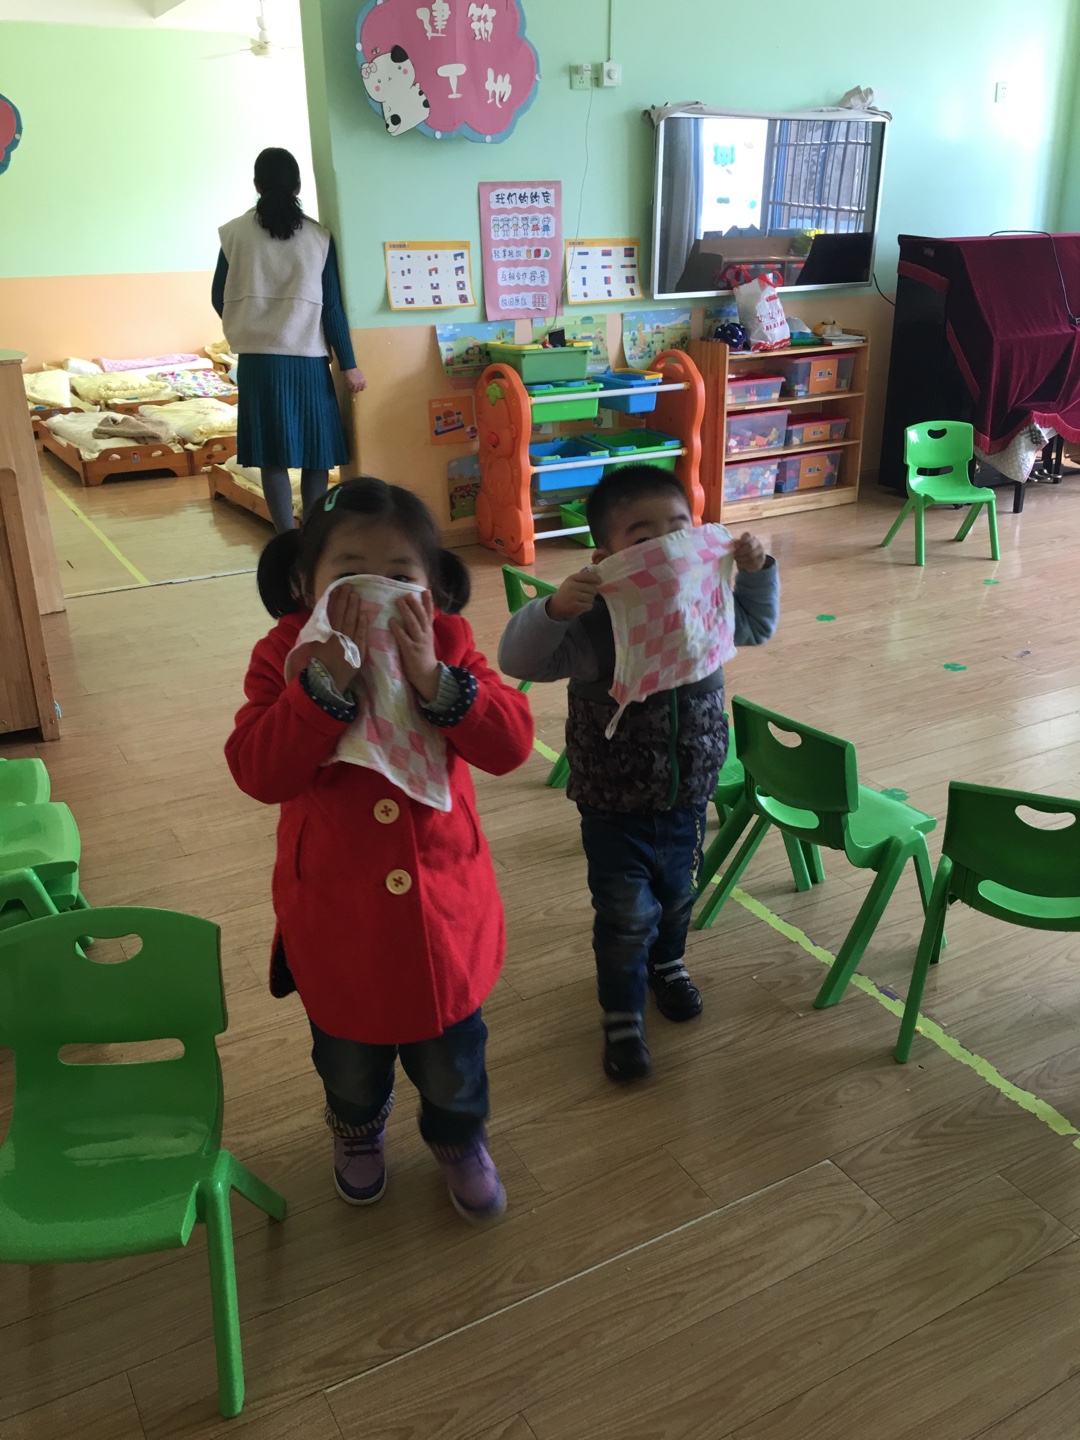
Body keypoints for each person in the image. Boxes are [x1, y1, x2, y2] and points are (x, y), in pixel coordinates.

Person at [225, 478, 533, 1221]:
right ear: (306, 585)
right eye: (350, 573)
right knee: (348, 1061)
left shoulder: (450, 643)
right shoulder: (283, 653)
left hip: (442, 908)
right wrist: (318, 688)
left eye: (399, 574)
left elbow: (512, 745)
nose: (376, 591)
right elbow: (258, 772)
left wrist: (434, 679)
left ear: (431, 589)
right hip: (339, 914)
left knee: (453, 1060)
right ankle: (357, 1129)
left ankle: (458, 1137)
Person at [498, 465, 779, 1083]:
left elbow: (757, 626)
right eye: (643, 537)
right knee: (626, 914)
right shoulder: (597, 624)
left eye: (679, 528)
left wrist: (757, 572)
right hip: (612, 801)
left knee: (677, 897)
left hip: (689, 791)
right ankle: (621, 1012)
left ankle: (668, 963)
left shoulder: (704, 605)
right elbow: (518, 659)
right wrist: (554, 609)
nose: (667, 547)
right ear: (606, 557)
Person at [213, 147, 367, 534]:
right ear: (298, 186)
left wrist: (251, 323)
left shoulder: (234, 234)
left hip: (258, 362)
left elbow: (219, 296)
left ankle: (284, 538)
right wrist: (349, 365)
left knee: (273, 456)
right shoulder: (318, 238)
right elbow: (331, 308)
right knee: (317, 454)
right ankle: (313, 534)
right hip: (308, 359)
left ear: (256, 185)